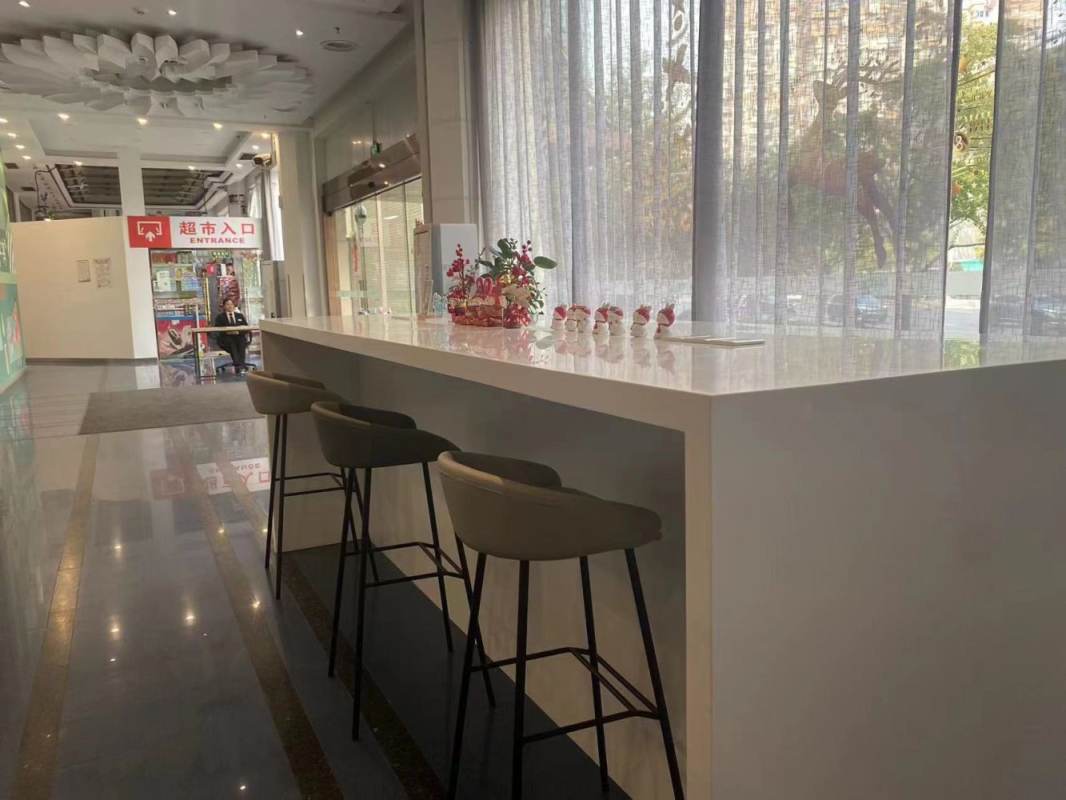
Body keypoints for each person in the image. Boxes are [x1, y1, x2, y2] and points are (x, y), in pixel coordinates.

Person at [213, 299, 251, 374]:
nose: (230, 306)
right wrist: (228, 332)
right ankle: (239, 364)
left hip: (239, 336)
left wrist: (238, 332)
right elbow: (217, 330)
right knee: (231, 342)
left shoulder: (239, 316)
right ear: (224, 306)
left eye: (231, 304)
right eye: (227, 304)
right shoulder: (220, 317)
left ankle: (239, 364)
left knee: (241, 341)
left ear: (234, 306)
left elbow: (246, 328)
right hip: (226, 338)